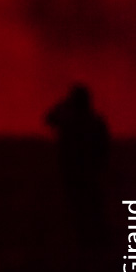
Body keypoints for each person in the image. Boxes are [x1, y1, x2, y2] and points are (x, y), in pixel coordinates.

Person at [45, 84, 110, 247]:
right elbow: (104, 146)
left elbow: (49, 119)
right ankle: (95, 239)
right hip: (89, 171)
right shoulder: (95, 121)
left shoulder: (68, 121)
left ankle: (85, 240)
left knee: (78, 207)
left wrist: (61, 106)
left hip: (73, 171)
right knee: (91, 206)